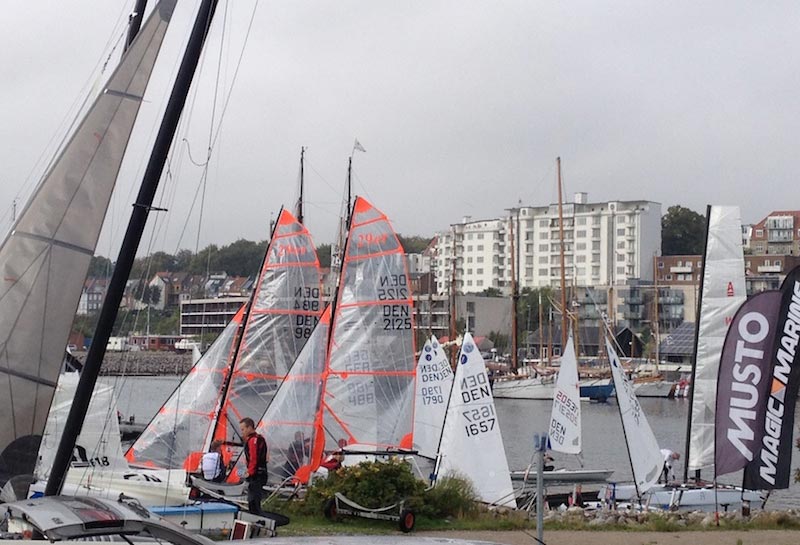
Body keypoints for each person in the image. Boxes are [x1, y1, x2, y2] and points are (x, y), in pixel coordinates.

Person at [240, 417, 268, 514]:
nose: (242, 432)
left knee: (253, 500)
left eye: (243, 429)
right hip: (262, 472)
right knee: (256, 498)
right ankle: (256, 515)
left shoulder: (253, 440)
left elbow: (253, 458)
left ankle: (256, 518)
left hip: (256, 474)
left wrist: (250, 473)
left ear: (249, 428)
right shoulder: (260, 438)